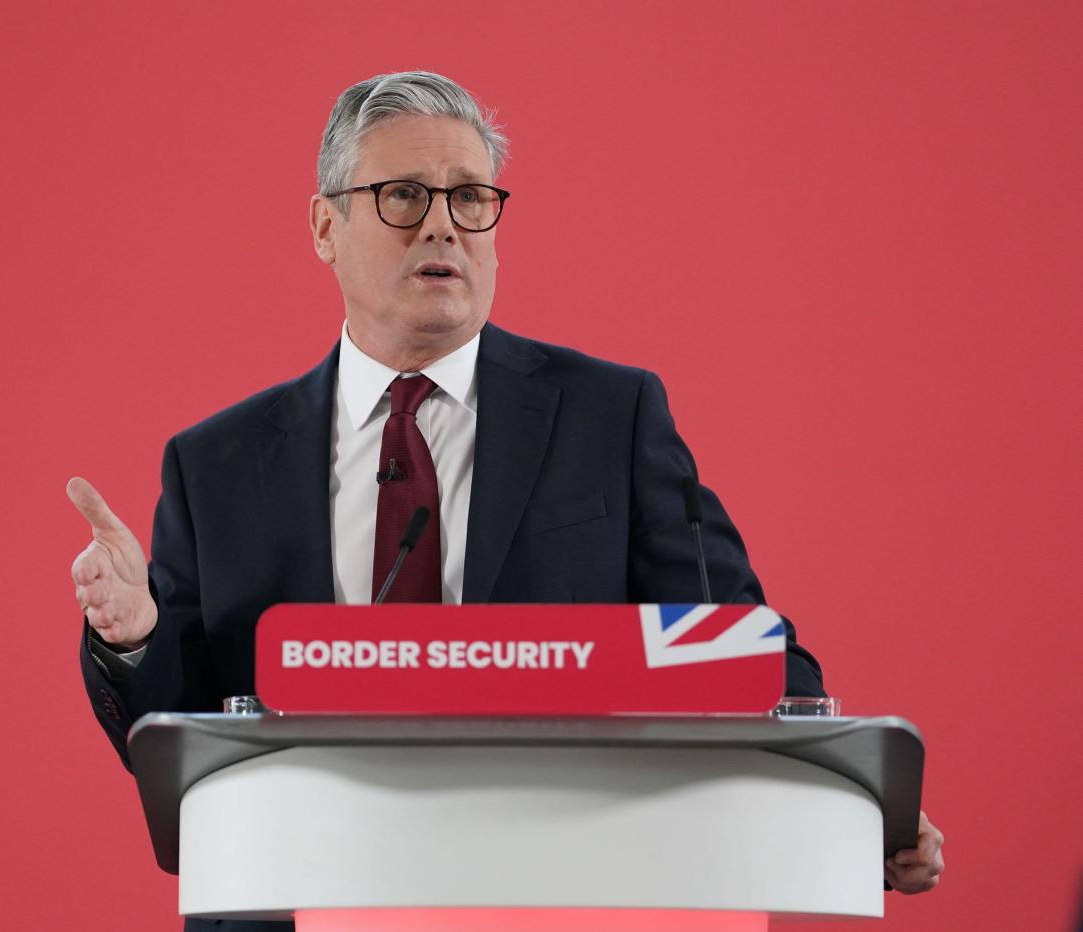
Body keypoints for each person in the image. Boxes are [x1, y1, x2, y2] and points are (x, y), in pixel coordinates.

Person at [69, 72, 943, 930]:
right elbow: (181, 734)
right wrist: (131, 634)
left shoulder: (610, 416)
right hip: (297, 897)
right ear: (325, 226)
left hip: (559, 894)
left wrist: (855, 802)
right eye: (405, 195)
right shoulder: (217, 463)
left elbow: (738, 652)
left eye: (471, 197)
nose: (444, 224)